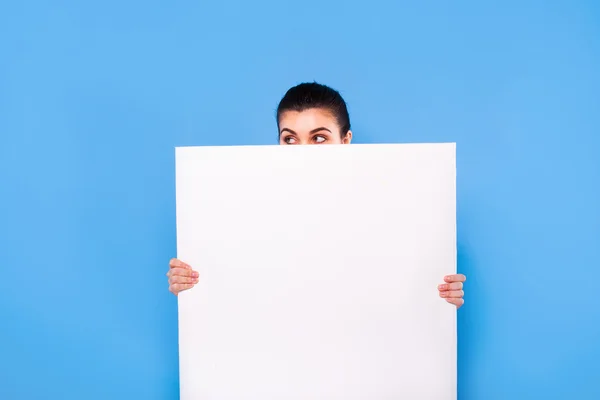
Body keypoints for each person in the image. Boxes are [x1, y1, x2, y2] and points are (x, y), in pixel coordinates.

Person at [166, 82, 467, 308]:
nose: (304, 151)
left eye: (319, 138)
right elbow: (244, 285)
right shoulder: (246, 210)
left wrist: (439, 295)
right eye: (290, 139)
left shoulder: (390, 209)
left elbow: (397, 286)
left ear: (345, 140)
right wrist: (194, 283)